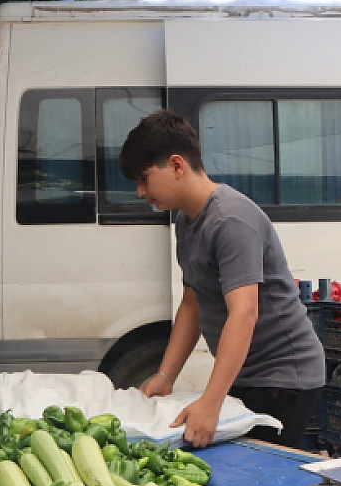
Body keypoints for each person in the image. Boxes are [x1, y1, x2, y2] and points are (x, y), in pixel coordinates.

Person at [117, 109, 325, 448]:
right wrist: (165, 375)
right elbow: (192, 302)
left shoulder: (230, 219)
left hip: (284, 377)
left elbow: (244, 312)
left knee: (259, 473)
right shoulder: (186, 222)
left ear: (176, 165)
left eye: (144, 178)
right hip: (247, 372)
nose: (141, 191)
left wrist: (211, 403)